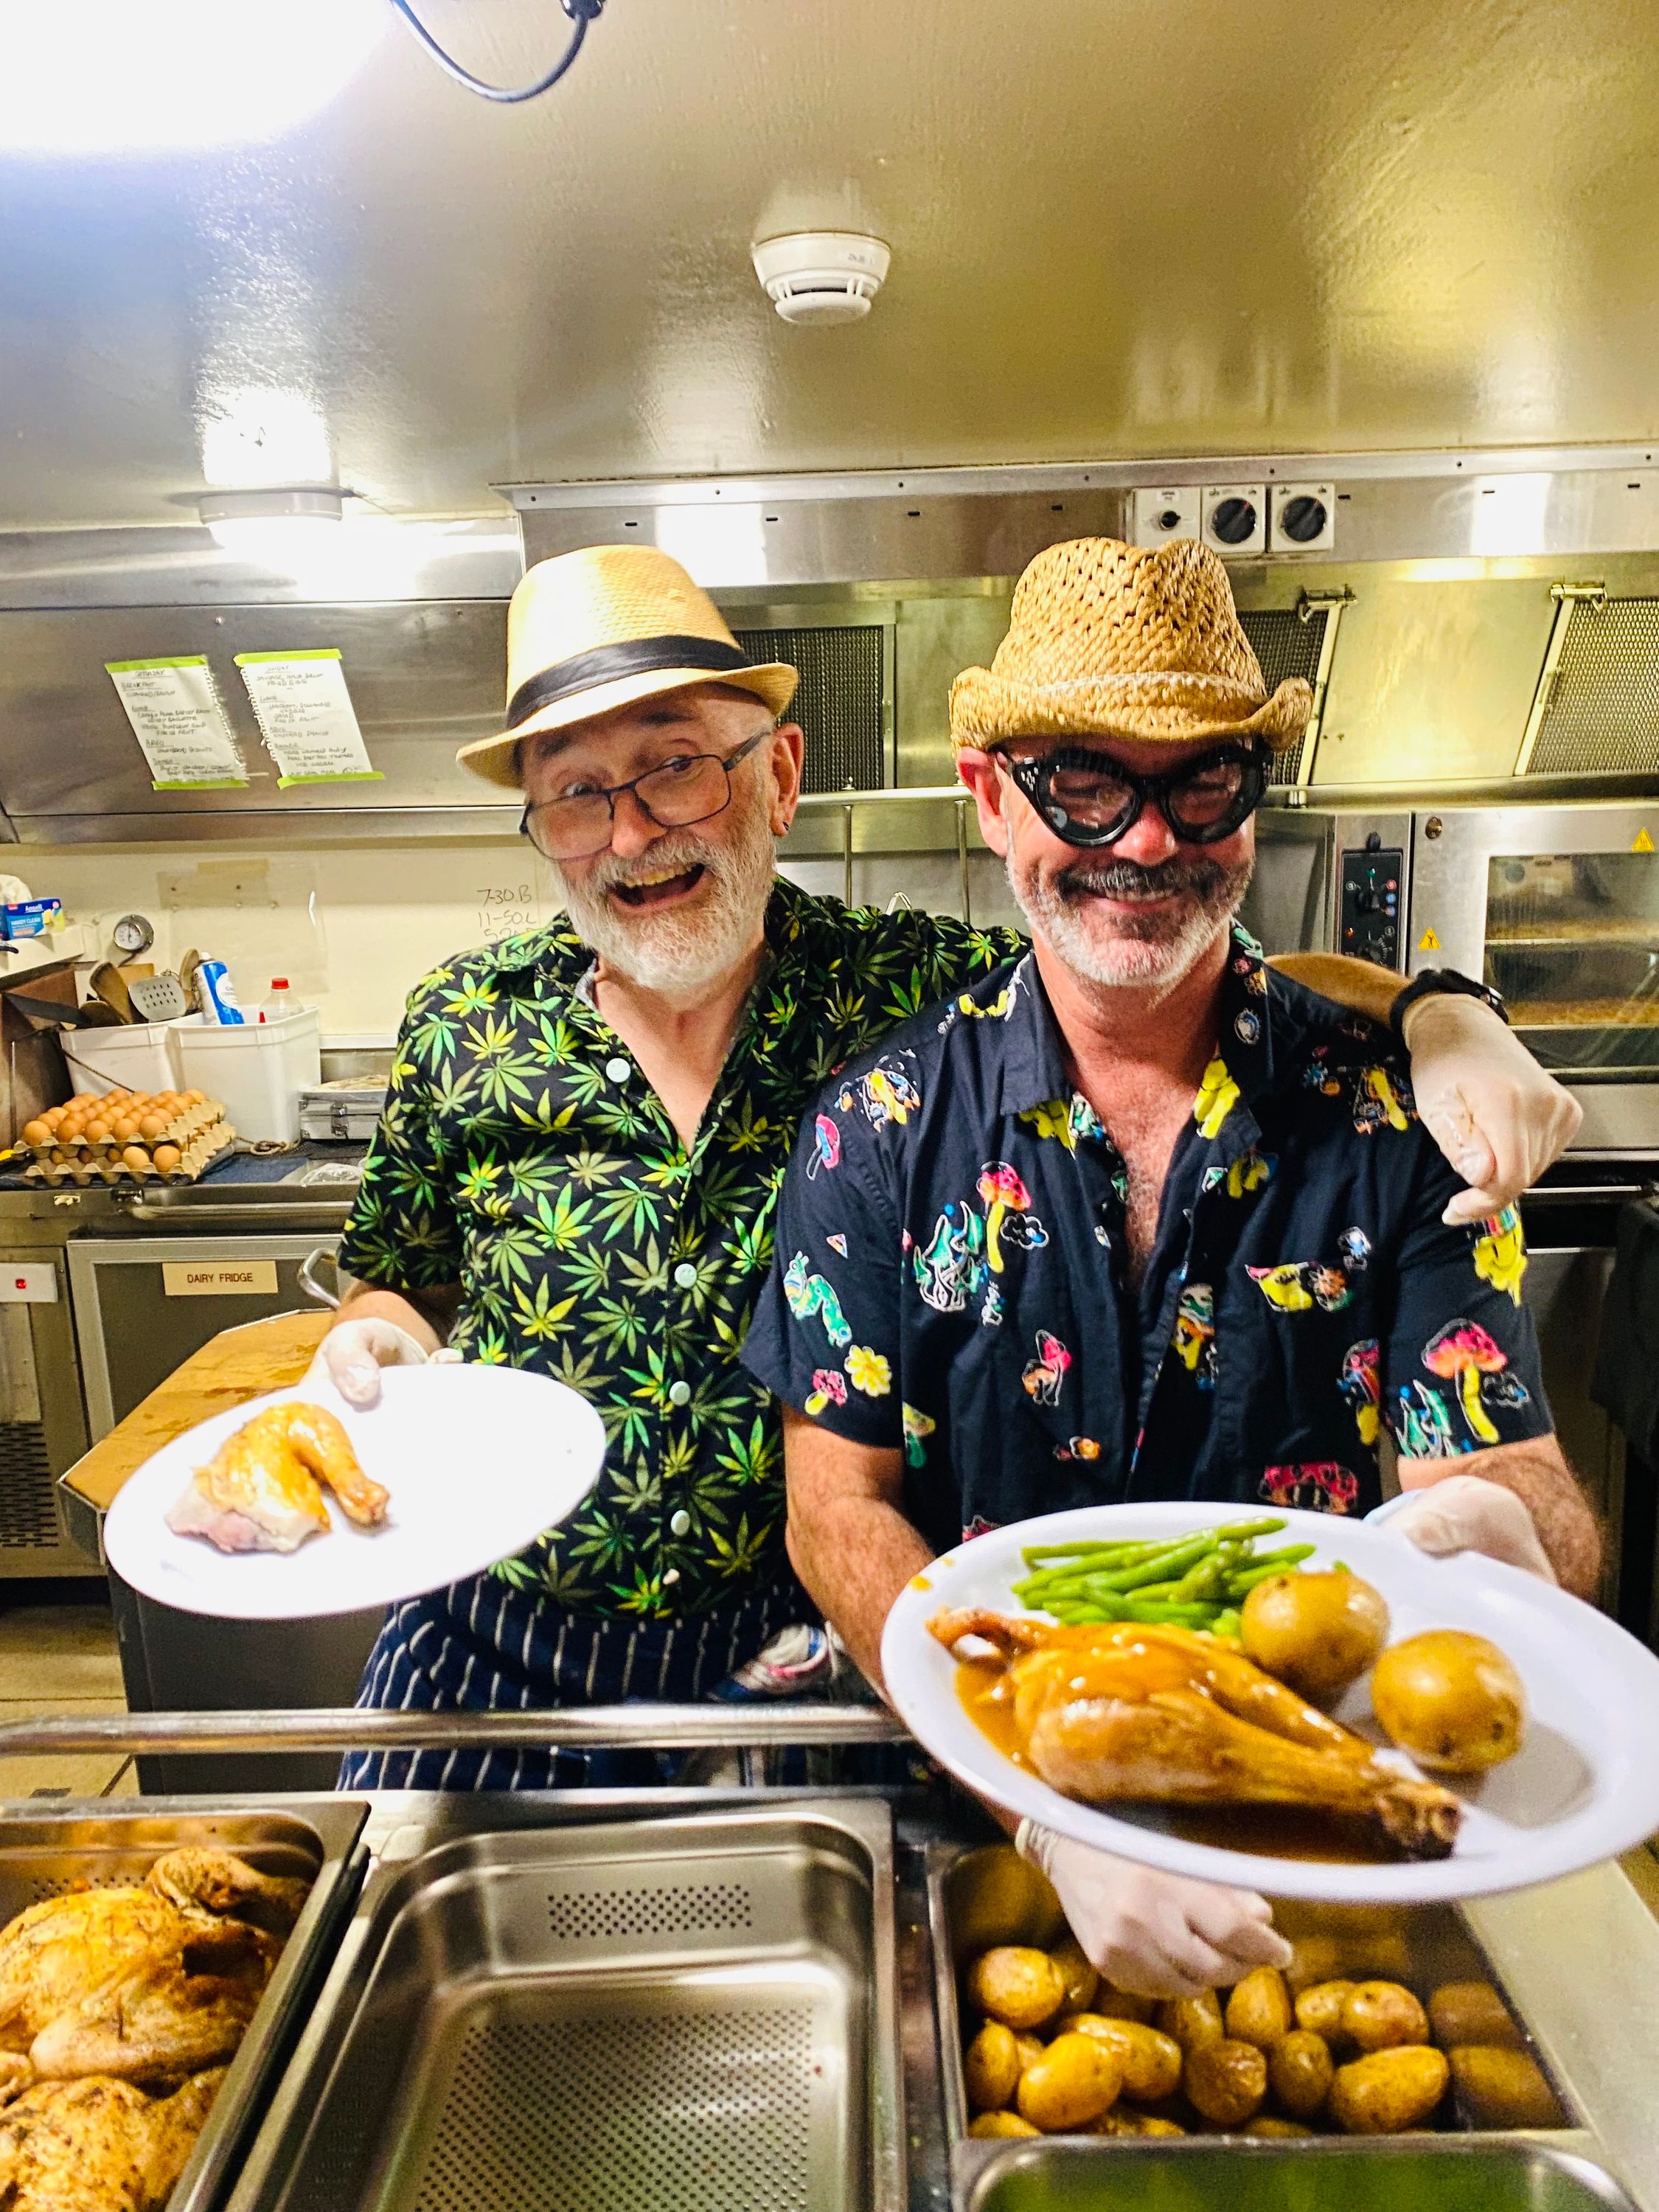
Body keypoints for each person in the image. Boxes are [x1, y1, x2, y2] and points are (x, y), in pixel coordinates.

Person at [316, 541, 1580, 1794]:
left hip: (781, 1661)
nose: (633, 831)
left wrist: (1440, 1015)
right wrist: (371, 1337)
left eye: (675, 771)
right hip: (493, 1629)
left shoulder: (901, 995)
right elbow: (402, 1281)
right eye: (578, 794)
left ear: (776, 778)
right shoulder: (469, 1025)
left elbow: (1151, 957)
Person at [742, 535, 1599, 1994]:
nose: (1145, 841)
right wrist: (1042, 1812)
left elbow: (1514, 1491)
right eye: (1086, 780)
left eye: (1200, 778)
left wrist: (1521, 1550)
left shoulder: (1398, 1126)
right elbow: (836, 1511)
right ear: (990, 792)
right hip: (986, 1830)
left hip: (1325, 1807)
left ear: (1252, 801)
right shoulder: (879, 1134)